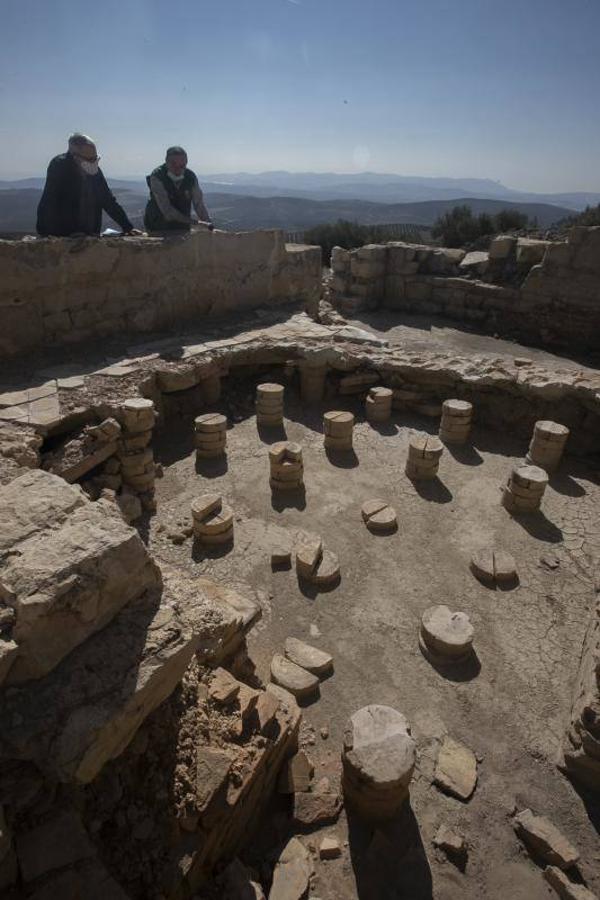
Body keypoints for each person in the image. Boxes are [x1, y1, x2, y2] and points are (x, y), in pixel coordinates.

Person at [36, 134, 139, 237]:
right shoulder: (59, 166)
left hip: (90, 234)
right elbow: (50, 202)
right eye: (89, 160)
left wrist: (128, 227)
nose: (93, 163)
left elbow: (108, 200)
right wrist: (52, 233)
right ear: (74, 156)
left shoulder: (95, 171)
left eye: (95, 158)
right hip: (64, 235)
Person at [144, 146, 213, 234]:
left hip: (183, 225)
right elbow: (167, 210)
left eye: (182, 165)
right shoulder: (157, 176)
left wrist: (208, 224)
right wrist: (196, 223)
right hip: (158, 225)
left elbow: (199, 204)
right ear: (166, 162)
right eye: (173, 164)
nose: (178, 169)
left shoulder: (190, 177)